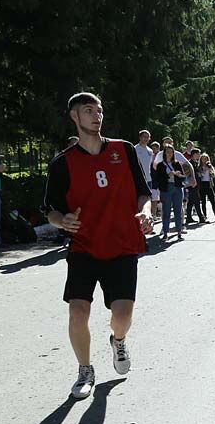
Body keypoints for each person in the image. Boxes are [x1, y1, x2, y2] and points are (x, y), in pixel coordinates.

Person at [43, 92, 153, 399]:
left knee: (122, 316)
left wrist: (145, 214)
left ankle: (118, 340)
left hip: (122, 245)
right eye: (88, 110)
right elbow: (50, 209)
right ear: (75, 117)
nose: (96, 115)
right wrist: (61, 221)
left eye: (99, 110)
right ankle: (85, 369)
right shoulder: (62, 163)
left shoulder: (124, 150)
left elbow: (143, 194)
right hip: (84, 248)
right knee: (78, 311)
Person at [153, 144, 188, 241]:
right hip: (166, 189)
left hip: (177, 188)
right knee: (166, 211)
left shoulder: (177, 164)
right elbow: (158, 179)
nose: (169, 154)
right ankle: (165, 233)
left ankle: (179, 232)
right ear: (164, 153)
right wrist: (168, 175)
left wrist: (179, 175)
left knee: (178, 210)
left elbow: (184, 177)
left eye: (171, 152)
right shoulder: (160, 165)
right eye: (167, 152)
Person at [134, 130, 159, 227]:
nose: (145, 139)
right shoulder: (135, 149)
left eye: (147, 137)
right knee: (139, 201)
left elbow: (151, 166)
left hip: (148, 179)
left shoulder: (150, 151)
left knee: (150, 200)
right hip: (138, 179)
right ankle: (137, 222)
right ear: (140, 137)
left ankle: (148, 221)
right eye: (143, 136)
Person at [198, 153, 215, 222]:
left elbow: (213, 175)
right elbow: (199, 175)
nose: (204, 160)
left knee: (212, 201)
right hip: (202, 184)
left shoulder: (210, 166)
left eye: (206, 159)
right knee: (203, 201)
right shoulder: (199, 167)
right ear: (201, 159)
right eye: (203, 159)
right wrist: (204, 171)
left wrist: (210, 170)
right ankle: (204, 216)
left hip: (209, 184)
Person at [185, 148, 205, 224]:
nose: (199, 155)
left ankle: (189, 218)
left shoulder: (196, 162)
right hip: (192, 185)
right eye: (198, 154)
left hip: (196, 185)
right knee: (196, 201)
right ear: (194, 154)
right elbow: (188, 173)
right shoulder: (190, 163)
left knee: (190, 201)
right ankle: (201, 217)